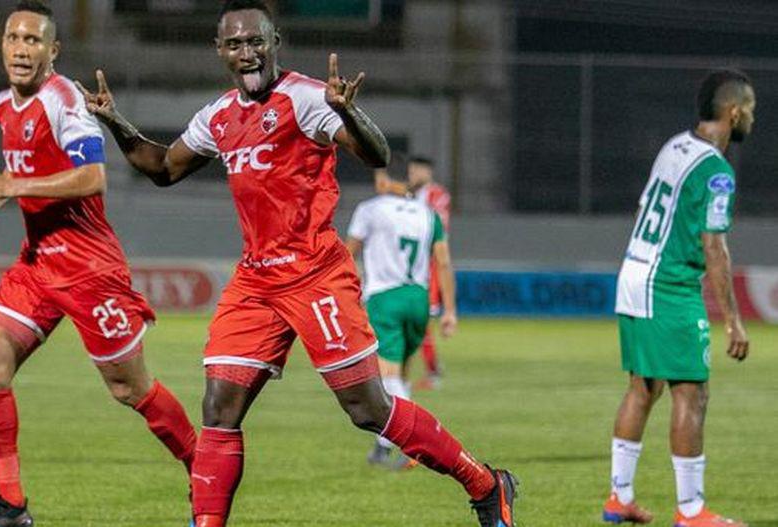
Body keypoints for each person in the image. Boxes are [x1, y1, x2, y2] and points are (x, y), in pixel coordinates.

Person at [76, 1, 516, 526]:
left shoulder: (306, 98)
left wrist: (349, 111)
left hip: (315, 273)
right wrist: (115, 121)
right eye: (235, 44)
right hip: (256, 281)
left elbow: (374, 156)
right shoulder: (217, 116)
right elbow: (163, 168)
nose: (247, 52)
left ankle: (486, 485)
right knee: (219, 408)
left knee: (367, 409)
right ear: (220, 51)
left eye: (256, 41)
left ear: (275, 41)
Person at [0, 2, 197, 525]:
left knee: (129, 389)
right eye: (13, 38)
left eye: (34, 40)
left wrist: (10, 187)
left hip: (90, 269)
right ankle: (11, 507)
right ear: (2, 44)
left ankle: (204, 469)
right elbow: (22, 168)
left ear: (53, 51)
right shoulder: (4, 104)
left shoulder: (65, 99)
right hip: (38, 263)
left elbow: (93, 177)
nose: (22, 49)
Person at [602, 69, 752, 527]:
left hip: (634, 273)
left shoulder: (675, 145)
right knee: (692, 392)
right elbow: (714, 246)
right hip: (667, 286)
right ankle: (691, 511)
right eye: (751, 109)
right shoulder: (716, 172)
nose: (752, 117)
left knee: (643, 387)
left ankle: (619, 498)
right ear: (732, 111)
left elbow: (644, 206)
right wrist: (733, 318)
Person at [346, 167, 458, 470]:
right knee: (402, 375)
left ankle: (412, 447)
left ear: (384, 179)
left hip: (386, 297)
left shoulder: (370, 209)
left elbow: (348, 254)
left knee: (389, 378)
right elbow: (444, 262)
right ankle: (382, 449)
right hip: (418, 299)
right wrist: (449, 310)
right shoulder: (427, 213)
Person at [406, 155, 452, 389]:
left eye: (416, 171)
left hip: (429, 267)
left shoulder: (437, 196)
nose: (412, 175)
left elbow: (437, 231)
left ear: (427, 172)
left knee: (422, 322)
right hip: (409, 267)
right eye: (410, 171)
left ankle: (433, 373)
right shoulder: (407, 194)